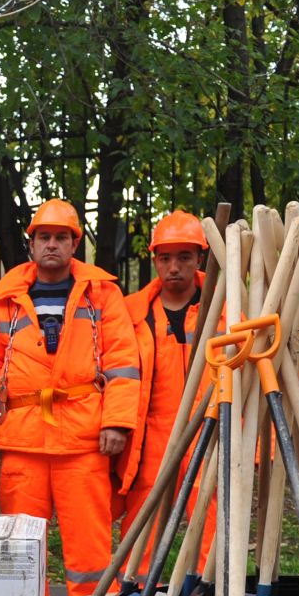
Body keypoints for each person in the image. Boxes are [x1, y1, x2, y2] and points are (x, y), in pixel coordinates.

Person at [0, 199, 141, 596]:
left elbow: (122, 363)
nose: (52, 245)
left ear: (74, 244)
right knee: (20, 542)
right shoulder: (4, 298)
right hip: (24, 439)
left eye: (61, 237)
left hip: (83, 438)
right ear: (31, 243)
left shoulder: (102, 294)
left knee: (89, 541)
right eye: (44, 236)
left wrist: (116, 422)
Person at [118, 211, 209, 533]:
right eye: (165, 258)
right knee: (143, 523)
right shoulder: (131, 313)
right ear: (155, 258)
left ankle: (208, 585)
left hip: (209, 434)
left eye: (185, 257)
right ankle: (138, 584)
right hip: (151, 435)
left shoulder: (225, 311)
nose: (174, 267)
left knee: (210, 521)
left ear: (200, 256)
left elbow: (251, 386)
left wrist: (256, 449)